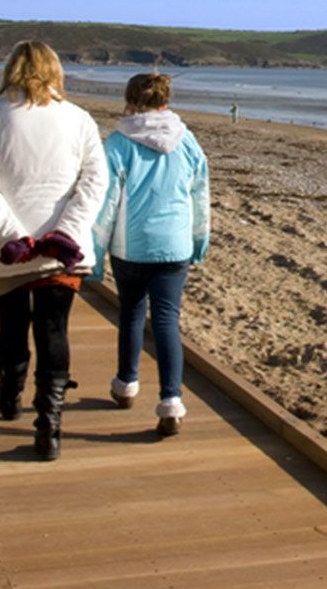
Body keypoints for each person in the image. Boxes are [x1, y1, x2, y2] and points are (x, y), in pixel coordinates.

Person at [0, 41, 106, 460]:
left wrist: (11, 234)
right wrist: (66, 232)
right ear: (55, 71)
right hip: (60, 251)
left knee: (11, 323)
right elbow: (95, 184)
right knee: (53, 328)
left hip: (6, 248)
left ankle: (9, 395)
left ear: (12, 69)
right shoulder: (79, 120)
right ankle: (50, 424)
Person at [91, 73, 210, 436]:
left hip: (131, 248)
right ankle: (171, 400)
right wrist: (199, 240)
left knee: (130, 312)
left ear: (129, 101)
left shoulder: (117, 144)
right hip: (175, 246)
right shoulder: (187, 142)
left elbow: (105, 204)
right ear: (165, 100)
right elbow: (199, 197)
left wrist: (96, 252)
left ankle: (126, 382)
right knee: (166, 319)